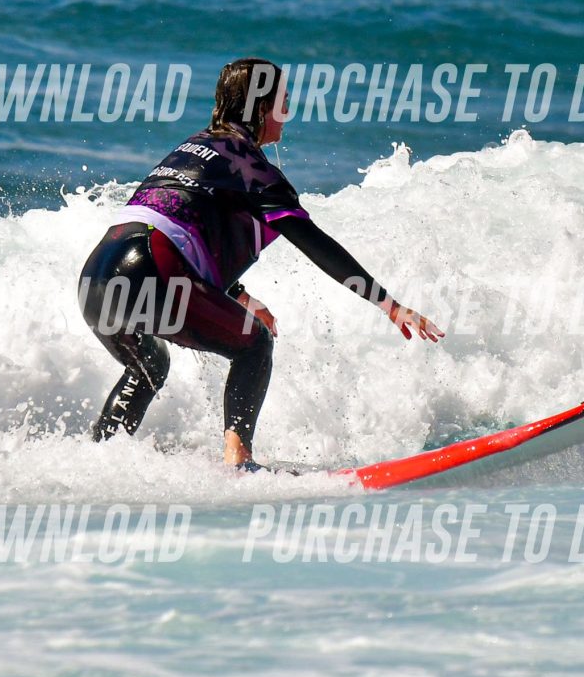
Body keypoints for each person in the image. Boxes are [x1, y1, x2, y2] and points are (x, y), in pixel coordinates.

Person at [77, 57, 442, 467]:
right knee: (254, 343)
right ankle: (239, 462)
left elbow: (182, 229)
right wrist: (387, 303)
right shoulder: (251, 168)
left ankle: (96, 461)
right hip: (153, 266)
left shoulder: (192, 148)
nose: (288, 111)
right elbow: (314, 243)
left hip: (98, 275)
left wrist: (240, 296)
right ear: (262, 107)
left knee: (148, 367)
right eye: (283, 101)